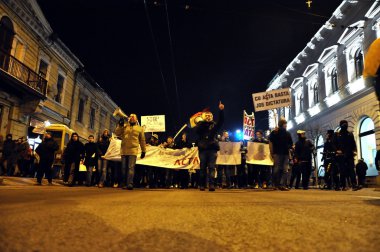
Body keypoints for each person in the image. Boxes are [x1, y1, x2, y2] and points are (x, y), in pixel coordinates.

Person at [194, 101, 224, 191]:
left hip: (212, 149)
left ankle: (211, 185)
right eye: (206, 116)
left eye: (209, 116)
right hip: (203, 149)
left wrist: (221, 111)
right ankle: (202, 185)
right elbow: (197, 131)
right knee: (202, 168)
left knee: (212, 167)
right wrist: (202, 122)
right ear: (203, 117)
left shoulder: (214, 125)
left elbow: (221, 122)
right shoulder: (200, 125)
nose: (208, 117)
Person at [114, 113, 146, 190]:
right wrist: (120, 125)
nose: (131, 117)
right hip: (124, 150)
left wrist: (143, 151)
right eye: (130, 116)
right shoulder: (125, 126)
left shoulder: (140, 128)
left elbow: (142, 140)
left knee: (130, 168)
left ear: (136, 119)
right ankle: (124, 183)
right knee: (123, 168)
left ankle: (130, 184)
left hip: (133, 150)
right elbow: (117, 133)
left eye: (133, 117)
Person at [333, 120, 358, 191]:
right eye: (344, 124)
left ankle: (354, 184)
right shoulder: (337, 134)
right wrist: (337, 150)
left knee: (351, 170)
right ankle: (343, 185)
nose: (345, 126)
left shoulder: (350, 134)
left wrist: (354, 150)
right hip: (341, 155)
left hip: (349, 154)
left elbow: (353, 143)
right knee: (342, 171)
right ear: (341, 125)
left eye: (346, 124)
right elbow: (334, 144)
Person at [269, 118, 293, 191]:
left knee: (285, 169)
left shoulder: (287, 133)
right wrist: (273, 133)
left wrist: (288, 146)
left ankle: (282, 185)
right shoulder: (275, 132)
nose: (286, 126)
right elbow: (270, 140)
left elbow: (291, 143)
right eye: (285, 124)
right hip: (277, 153)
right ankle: (275, 184)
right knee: (276, 169)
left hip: (285, 153)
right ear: (282, 125)